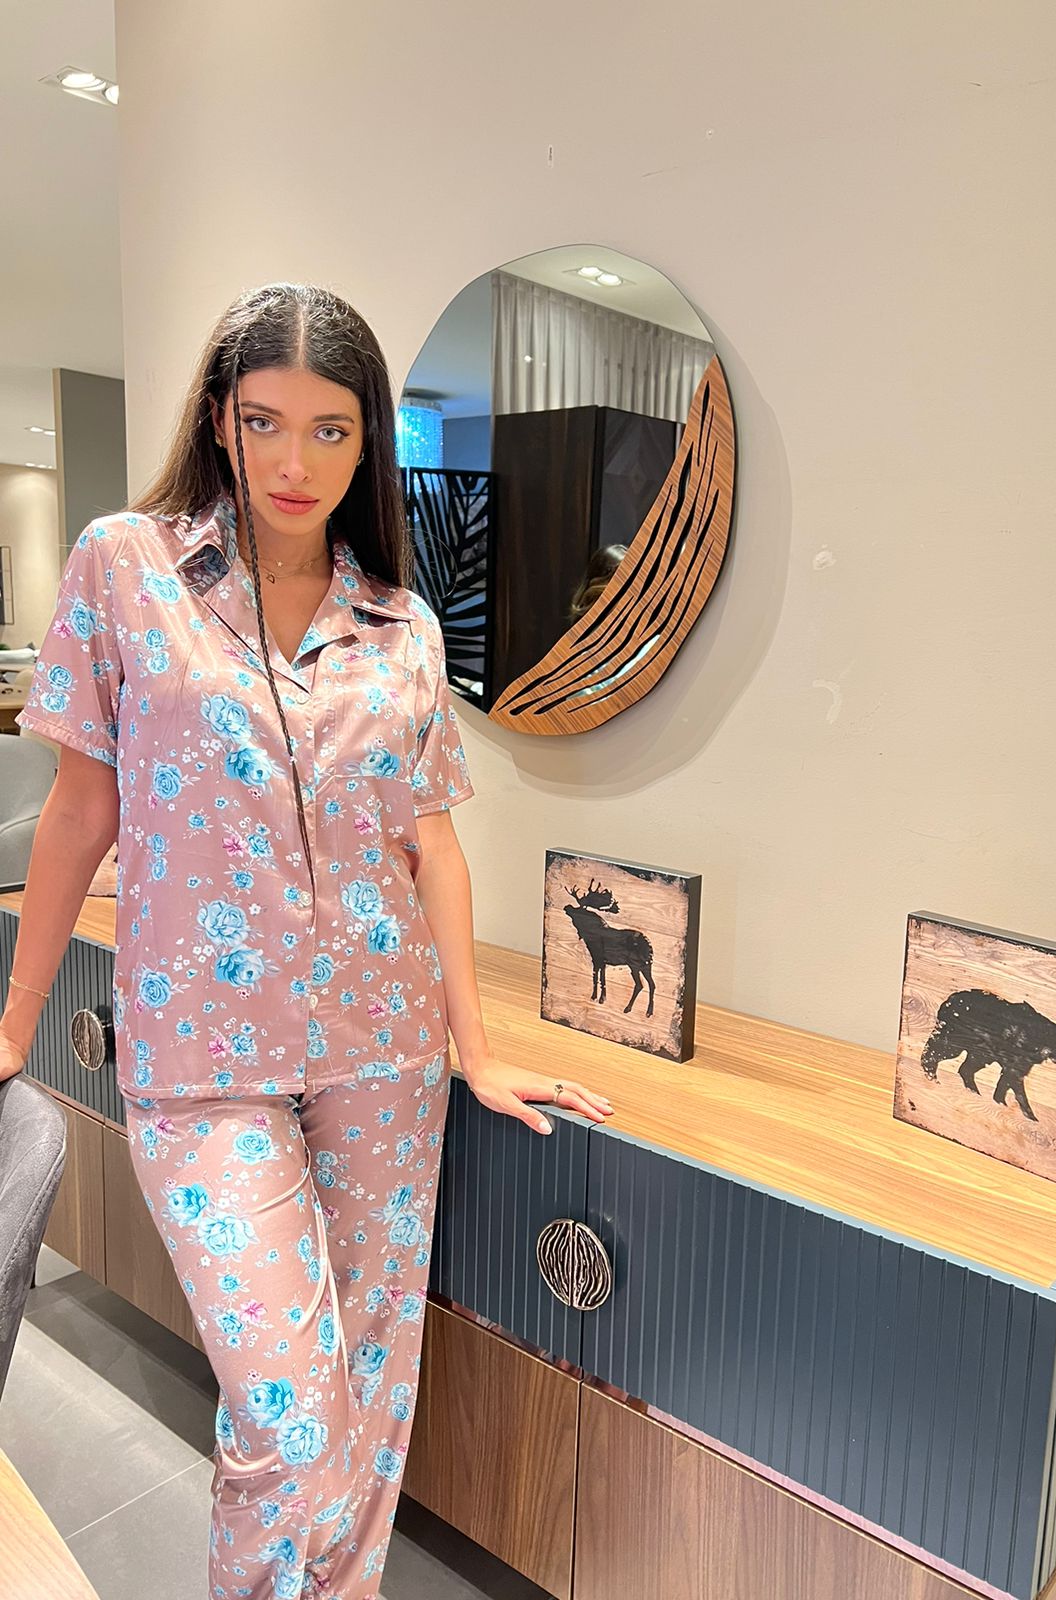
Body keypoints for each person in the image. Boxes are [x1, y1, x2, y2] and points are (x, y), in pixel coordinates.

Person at [0, 282, 615, 1600]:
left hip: (383, 1057)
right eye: (265, 422)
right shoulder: (126, 566)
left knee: (372, 1398)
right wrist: (12, 1018)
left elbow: (429, 848)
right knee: (290, 1418)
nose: (294, 462)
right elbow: (79, 807)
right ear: (220, 420)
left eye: (330, 431)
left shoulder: (400, 623)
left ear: (366, 440)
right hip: (204, 1062)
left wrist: (478, 1047)